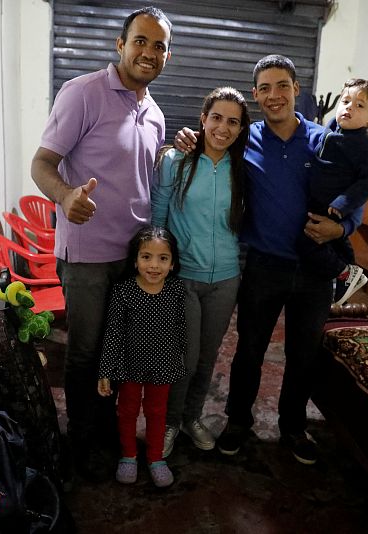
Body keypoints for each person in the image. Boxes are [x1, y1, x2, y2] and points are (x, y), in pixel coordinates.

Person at [174, 55, 363, 465]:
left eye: (282, 85)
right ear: (256, 95)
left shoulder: (325, 140)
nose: (273, 95)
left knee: (302, 356)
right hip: (264, 265)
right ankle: (238, 422)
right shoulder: (246, 139)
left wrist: (343, 229)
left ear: (297, 89)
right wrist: (187, 137)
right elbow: (213, 141)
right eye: (264, 88)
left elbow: (357, 192)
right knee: (249, 350)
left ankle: (292, 428)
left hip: (314, 269)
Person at [29, 6, 172, 481]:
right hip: (88, 256)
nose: (149, 52)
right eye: (141, 41)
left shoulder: (154, 112)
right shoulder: (83, 93)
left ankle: (114, 432)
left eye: (159, 45)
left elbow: (141, 176)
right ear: (120, 44)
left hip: (134, 260)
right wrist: (66, 195)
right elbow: (42, 163)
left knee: (122, 351)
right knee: (87, 351)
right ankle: (80, 441)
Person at [151, 87, 251, 457]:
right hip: (183, 279)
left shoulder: (243, 168)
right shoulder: (175, 160)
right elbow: (158, 215)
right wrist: (156, 269)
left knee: (208, 357)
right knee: (183, 357)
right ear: (202, 119)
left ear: (241, 129)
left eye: (232, 122)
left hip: (226, 280)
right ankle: (169, 422)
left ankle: (192, 418)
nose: (222, 128)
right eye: (216, 118)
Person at [97, 226, 187, 488]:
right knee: (126, 412)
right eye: (146, 257)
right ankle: (128, 455)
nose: (154, 265)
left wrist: (178, 361)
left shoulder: (176, 291)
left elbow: (180, 329)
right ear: (135, 261)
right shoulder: (123, 292)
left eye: (163, 258)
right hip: (129, 368)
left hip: (163, 368)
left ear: (172, 264)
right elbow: (113, 333)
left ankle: (156, 458)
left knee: (157, 413)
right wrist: (106, 370)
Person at [296, 78, 368, 305]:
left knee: (306, 241)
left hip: (331, 206)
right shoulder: (329, 131)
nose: (348, 108)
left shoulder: (365, 145)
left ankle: (346, 273)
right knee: (334, 245)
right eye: (345, 101)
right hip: (316, 201)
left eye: (359, 105)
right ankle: (350, 270)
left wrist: (343, 203)